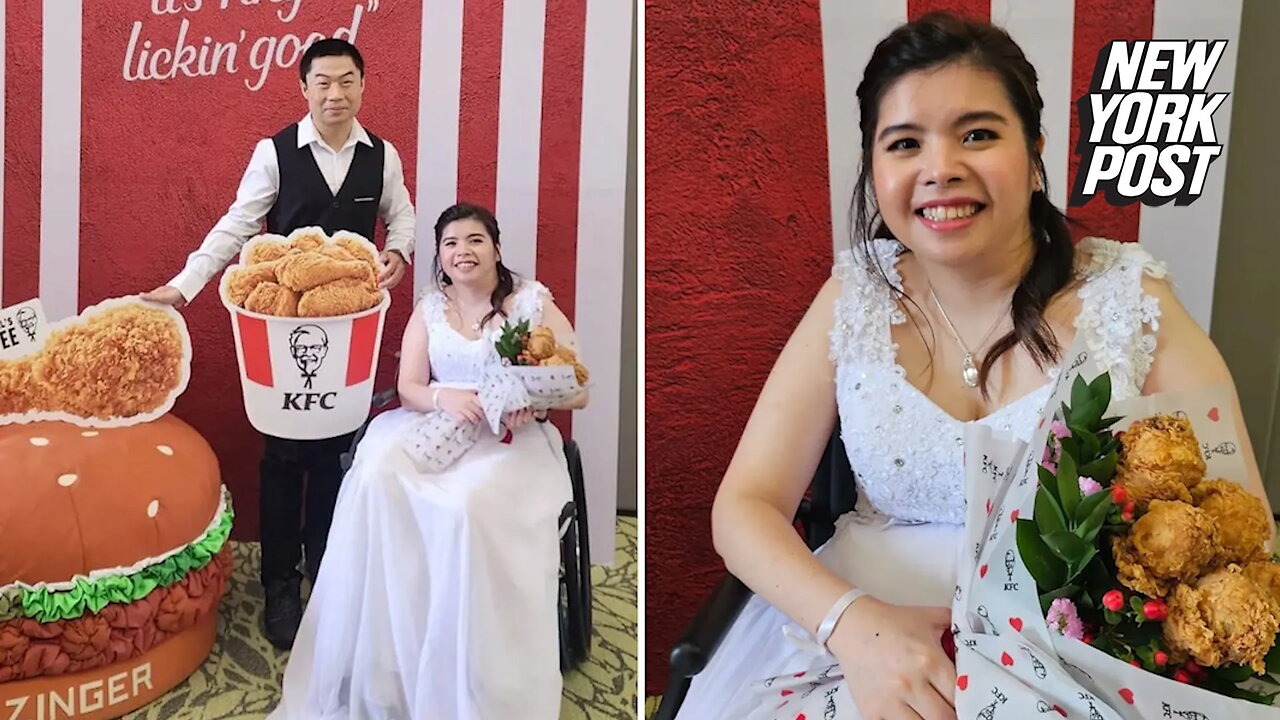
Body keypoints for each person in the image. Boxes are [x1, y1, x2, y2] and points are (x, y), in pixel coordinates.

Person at [673, 13, 1274, 720]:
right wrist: (854, 628)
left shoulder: (1131, 302)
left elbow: (1242, 533)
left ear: (1035, 152)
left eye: (979, 134)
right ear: (875, 167)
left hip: (1073, 648)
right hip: (854, 623)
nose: (941, 168)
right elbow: (745, 507)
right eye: (905, 143)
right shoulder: (855, 293)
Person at [139, 38, 416, 650]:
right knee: (284, 454)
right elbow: (238, 223)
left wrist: (398, 250)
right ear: (304, 88)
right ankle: (280, 586)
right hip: (281, 329)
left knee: (339, 450)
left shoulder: (382, 156)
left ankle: (328, 574)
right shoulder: (275, 153)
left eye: (346, 81)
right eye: (323, 82)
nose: (335, 94)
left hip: (351, 329)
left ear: (363, 86)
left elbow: (403, 216)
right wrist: (185, 286)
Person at [268, 203, 588, 720]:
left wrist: (537, 399)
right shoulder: (430, 307)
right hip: (436, 420)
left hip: (509, 439)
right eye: (451, 243)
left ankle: (470, 668)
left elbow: (578, 387)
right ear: (440, 256)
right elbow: (412, 386)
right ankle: (390, 653)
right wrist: (446, 399)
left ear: (497, 249)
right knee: (375, 479)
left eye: (475, 240)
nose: (463, 251)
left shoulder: (532, 303)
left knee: (465, 508)